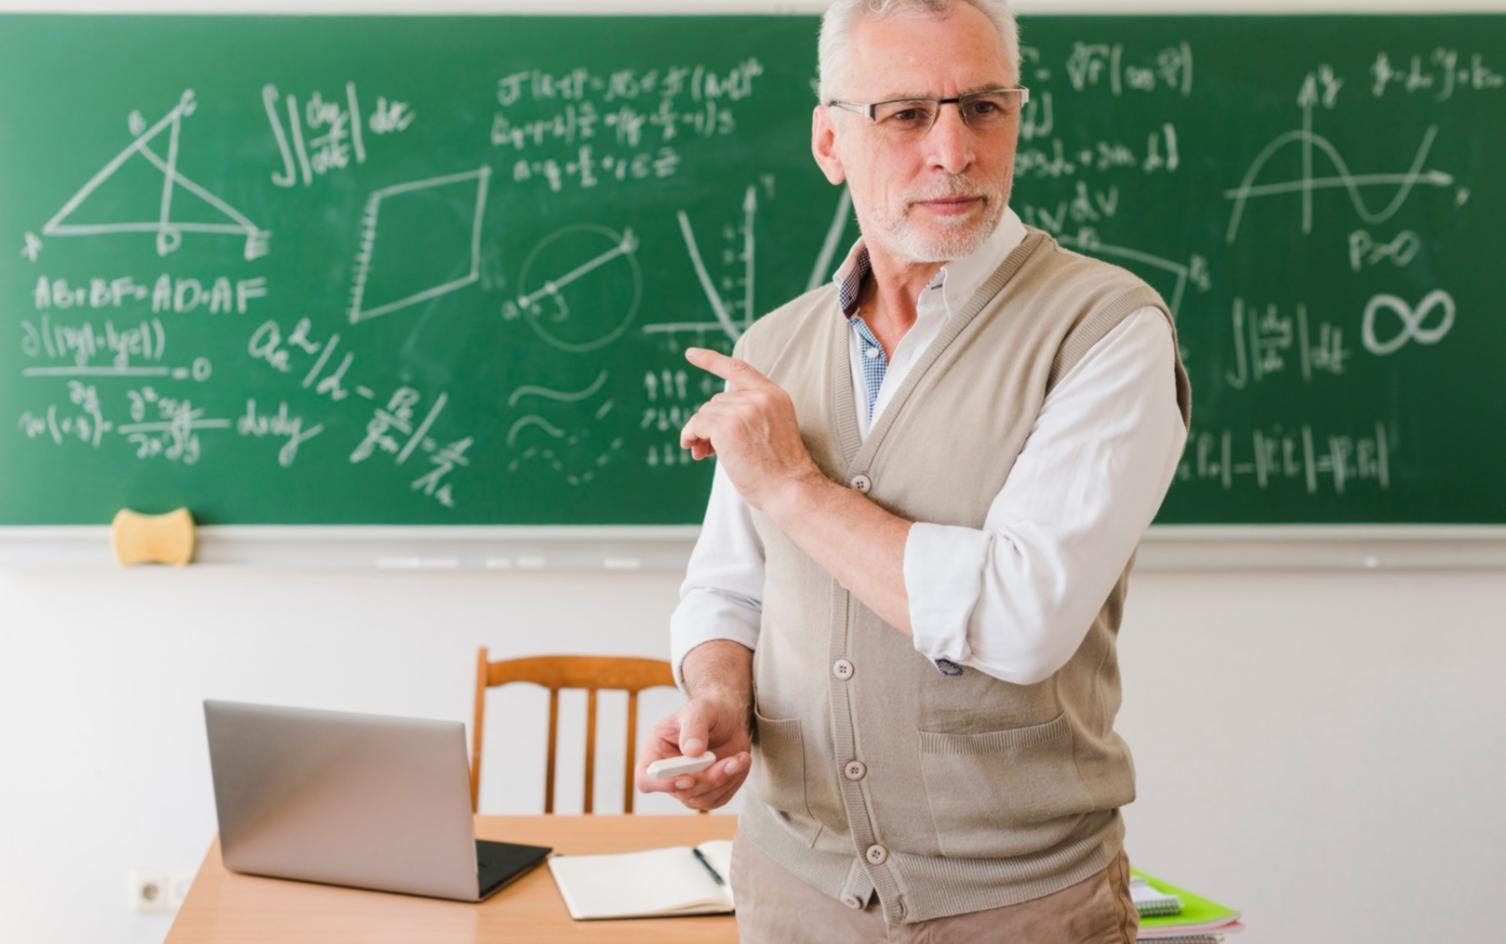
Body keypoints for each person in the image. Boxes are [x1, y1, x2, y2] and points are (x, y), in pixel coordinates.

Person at [635, 1, 1191, 940]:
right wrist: (720, 698)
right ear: (829, 142)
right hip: (788, 887)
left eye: (983, 108)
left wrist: (793, 487)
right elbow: (730, 589)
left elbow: (1018, 621)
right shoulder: (772, 345)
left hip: (1019, 907)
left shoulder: (1107, 331)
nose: (954, 150)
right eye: (905, 115)